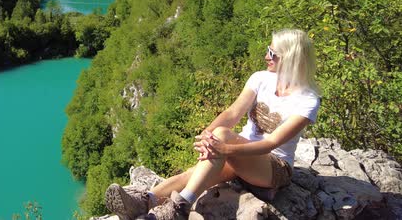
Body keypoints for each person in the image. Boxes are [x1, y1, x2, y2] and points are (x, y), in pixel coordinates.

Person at [105, 29, 321, 220]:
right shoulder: (260, 79)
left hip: (274, 168)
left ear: (291, 59)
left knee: (222, 137)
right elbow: (233, 112)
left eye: (273, 54)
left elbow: (271, 143)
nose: (266, 56)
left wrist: (225, 147)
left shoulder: (307, 100)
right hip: (242, 156)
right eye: (268, 50)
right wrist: (207, 135)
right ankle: (145, 202)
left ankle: (179, 209)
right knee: (195, 173)